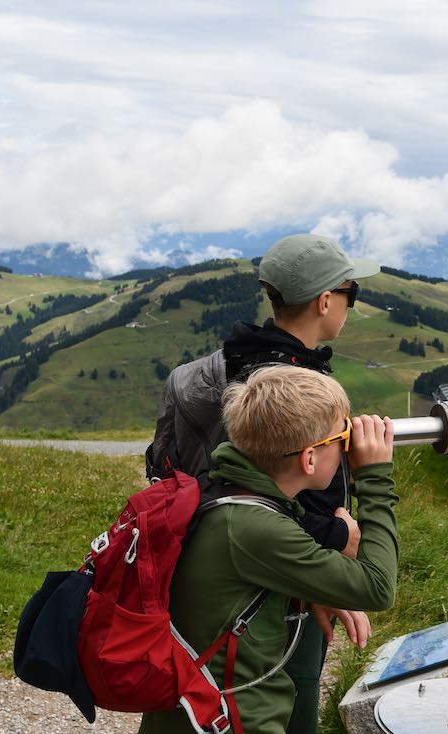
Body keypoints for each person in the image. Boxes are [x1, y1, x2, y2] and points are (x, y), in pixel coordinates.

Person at [145, 233, 379, 732]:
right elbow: (282, 497)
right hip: (280, 591)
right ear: (324, 301)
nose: (349, 304)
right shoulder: (294, 394)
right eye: (350, 293)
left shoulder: (217, 367)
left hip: (209, 581)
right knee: (279, 700)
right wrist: (340, 541)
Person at [139, 365, 398, 734]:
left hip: (189, 714)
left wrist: (311, 589)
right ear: (309, 460)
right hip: (228, 721)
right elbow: (377, 587)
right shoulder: (255, 527)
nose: (347, 448)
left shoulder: (227, 491)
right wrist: (374, 477)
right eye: (341, 438)